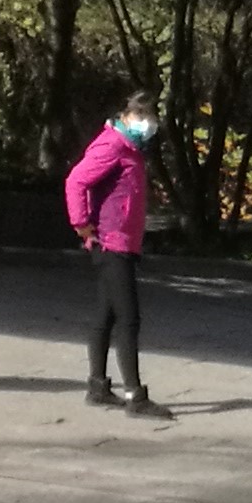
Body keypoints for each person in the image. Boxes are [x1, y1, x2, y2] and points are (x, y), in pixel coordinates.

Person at [64, 88, 170, 417]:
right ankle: (136, 397)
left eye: (151, 118)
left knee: (106, 316)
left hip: (121, 241)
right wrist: (81, 224)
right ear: (129, 115)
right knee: (128, 318)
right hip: (111, 242)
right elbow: (76, 181)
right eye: (144, 116)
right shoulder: (113, 145)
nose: (149, 124)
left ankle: (97, 387)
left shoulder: (131, 148)